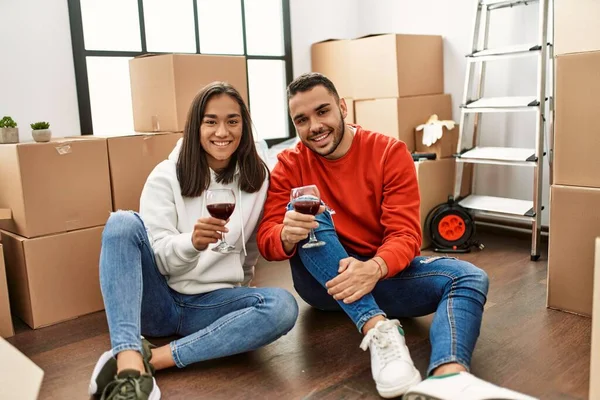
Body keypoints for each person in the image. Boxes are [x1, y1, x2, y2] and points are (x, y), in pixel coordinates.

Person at [256, 72, 537, 400]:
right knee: (307, 215)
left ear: (342, 108)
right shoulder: (289, 163)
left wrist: (373, 268)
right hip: (323, 285)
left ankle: (448, 376)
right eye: (301, 119)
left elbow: (405, 235)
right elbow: (267, 238)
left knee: (470, 277)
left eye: (322, 111)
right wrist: (287, 234)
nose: (314, 126)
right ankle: (376, 327)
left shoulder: (388, 151)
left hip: (379, 273)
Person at [88, 82, 299, 400]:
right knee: (121, 222)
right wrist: (192, 244)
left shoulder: (258, 179)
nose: (222, 131)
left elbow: (251, 248)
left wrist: (241, 290)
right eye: (211, 121)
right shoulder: (165, 175)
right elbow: (158, 255)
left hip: (211, 304)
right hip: (159, 301)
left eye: (232, 120)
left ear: (244, 124)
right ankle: (129, 362)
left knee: (283, 306)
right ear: (196, 126)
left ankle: (153, 359)